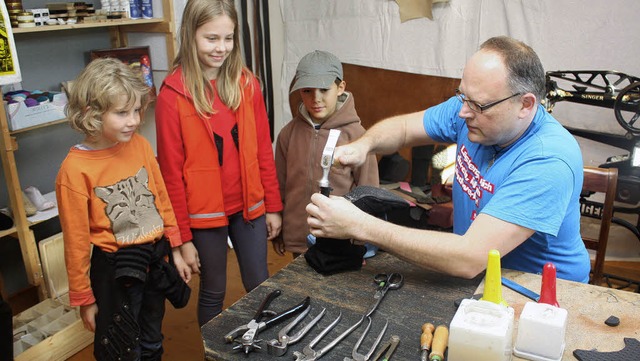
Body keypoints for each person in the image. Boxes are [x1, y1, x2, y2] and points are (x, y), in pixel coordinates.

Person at [306, 36, 591, 283]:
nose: (463, 112)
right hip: (479, 277)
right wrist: (364, 145)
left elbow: (469, 257)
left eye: (477, 105)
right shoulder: (472, 108)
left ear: (525, 104)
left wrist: (359, 225)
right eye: (462, 96)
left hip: (539, 294)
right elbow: (404, 129)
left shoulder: (548, 161)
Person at [155, 0, 283, 326]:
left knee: (261, 284)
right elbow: (170, 175)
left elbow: (263, 152)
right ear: (190, 34)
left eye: (228, 38)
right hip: (203, 215)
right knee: (214, 290)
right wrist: (181, 239)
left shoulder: (247, 84)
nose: (221, 48)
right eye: (211, 38)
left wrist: (272, 205)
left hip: (250, 207)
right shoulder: (172, 95)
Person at [56, 57, 191, 361]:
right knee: (123, 350)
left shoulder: (140, 145)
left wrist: (177, 250)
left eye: (136, 110)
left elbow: (161, 199)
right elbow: (75, 242)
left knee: (153, 338)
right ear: (91, 113)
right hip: (116, 275)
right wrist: (84, 298)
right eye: (121, 113)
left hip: (154, 262)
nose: (133, 120)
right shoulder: (74, 170)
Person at [274, 50, 379, 258]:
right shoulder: (288, 134)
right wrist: (282, 233)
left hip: (341, 242)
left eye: (324, 89)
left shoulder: (357, 136)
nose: (316, 99)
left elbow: (369, 192)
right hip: (298, 240)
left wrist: (361, 241)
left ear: (340, 88)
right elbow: (280, 185)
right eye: (307, 91)